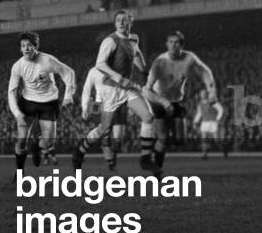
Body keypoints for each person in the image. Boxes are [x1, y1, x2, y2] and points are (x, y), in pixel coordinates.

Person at [72, 10, 163, 175]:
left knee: (148, 117)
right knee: (103, 129)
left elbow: (135, 52)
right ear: (115, 24)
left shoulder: (134, 39)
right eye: (118, 20)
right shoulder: (110, 41)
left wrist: (143, 70)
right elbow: (100, 64)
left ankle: (145, 159)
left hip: (127, 89)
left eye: (124, 20)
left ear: (131, 21)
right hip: (111, 90)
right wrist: (120, 79)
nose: (121, 23)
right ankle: (80, 151)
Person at [145, 31, 217, 168]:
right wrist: (164, 103)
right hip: (159, 101)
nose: (173, 45)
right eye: (170, 42)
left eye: (176, 42)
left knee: (180, 140)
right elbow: (146, 90)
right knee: (163, 138)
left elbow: (205, 72)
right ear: (166, 44)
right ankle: (156, 167)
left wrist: (211, 90)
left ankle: (162, 141)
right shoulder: (159, 62)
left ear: (182, 45)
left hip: (177, 101)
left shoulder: (189, 58)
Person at [7, 32, 75, 171]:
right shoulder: (17, 66)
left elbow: (68, 72)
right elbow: (12, 91)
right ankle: (19, 174)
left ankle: (36, 147)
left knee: (48, 142)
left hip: (49, 102)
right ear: (20, 49)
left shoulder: (47, 60)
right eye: (23, 46)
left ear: (36, 46)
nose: (26, 48)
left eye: (29, 45)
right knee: (21, 141)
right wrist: (18, 114)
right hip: (28, 102)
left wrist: (68, 95)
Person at [81, 66, 126, 171]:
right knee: (104, 136)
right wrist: (85, 107)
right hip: (100, 105)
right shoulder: (93, 71)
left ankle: (111, 156)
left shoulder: (118, 68)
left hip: (117, 105)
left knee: (118, 139)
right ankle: (111, 164)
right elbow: (87, 89)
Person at [193, 93, 225, 159]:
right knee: (204, 139)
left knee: (216, 140)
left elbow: (220, 109)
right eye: (201, 94)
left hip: (213, 122)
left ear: (206, 95)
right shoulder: (200, 104)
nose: (202, 95)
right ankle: (205, 154)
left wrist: (218, 119)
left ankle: (224, 149)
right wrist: (195, 121)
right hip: (204, 122)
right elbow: (199, 113)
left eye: (204, 94)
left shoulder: (211, 102)